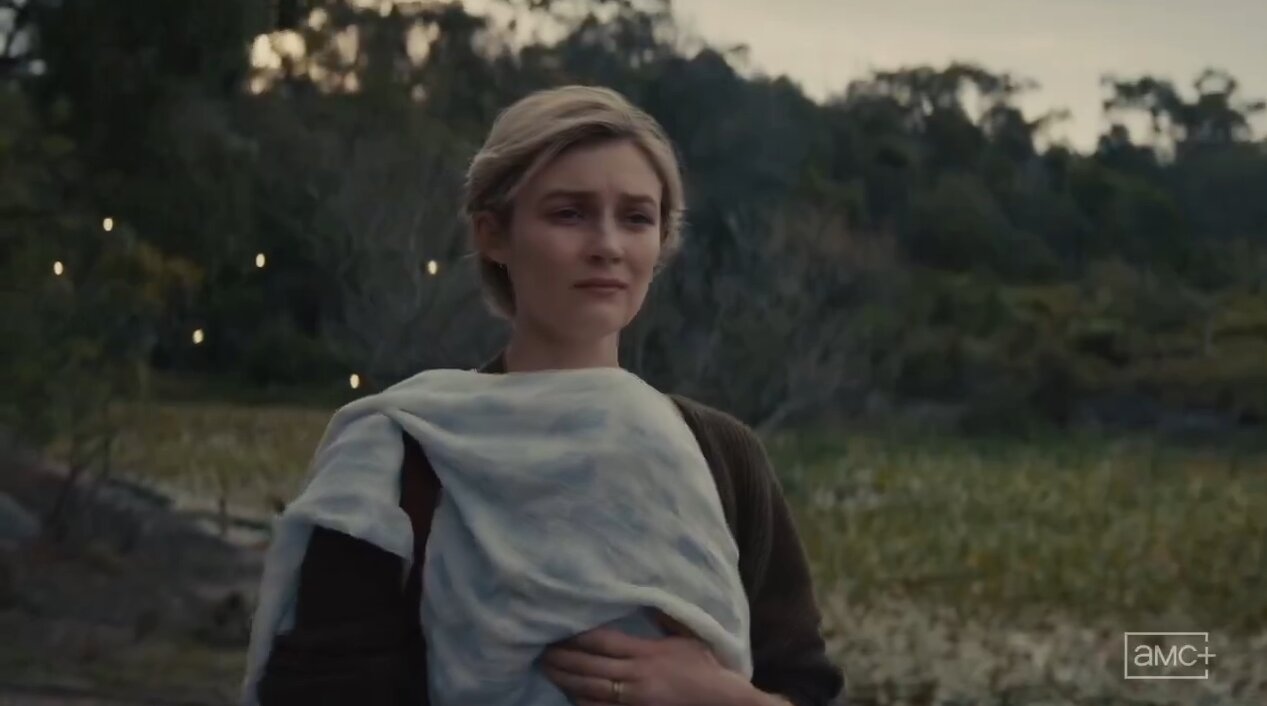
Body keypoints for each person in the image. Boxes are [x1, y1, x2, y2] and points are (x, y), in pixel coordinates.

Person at [243, 85, 844, 706]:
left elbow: (806, 689)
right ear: (493, 234)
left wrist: (715, 695)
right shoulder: (405, 448)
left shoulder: (722, 455)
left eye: (636, 218)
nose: (607, 245)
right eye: (569, 214)